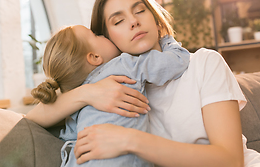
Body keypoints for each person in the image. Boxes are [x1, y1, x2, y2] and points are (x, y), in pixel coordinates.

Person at [26, 0, 260, 167]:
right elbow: (33, 119)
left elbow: (230, 160)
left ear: (156, 20)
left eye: (140, 10)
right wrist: (88, 93)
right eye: (118, 21)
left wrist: (129, 140)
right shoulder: (112, 89)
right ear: (107, 39)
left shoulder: (204, 63)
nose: (133, 21)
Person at [31, 24, 190, 166]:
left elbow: (69, 139)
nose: (103, 36)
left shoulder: (71, 104)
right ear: (94, 57)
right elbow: (177, 61)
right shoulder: (125, 64)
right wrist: (165, 39)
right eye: (96, 35)